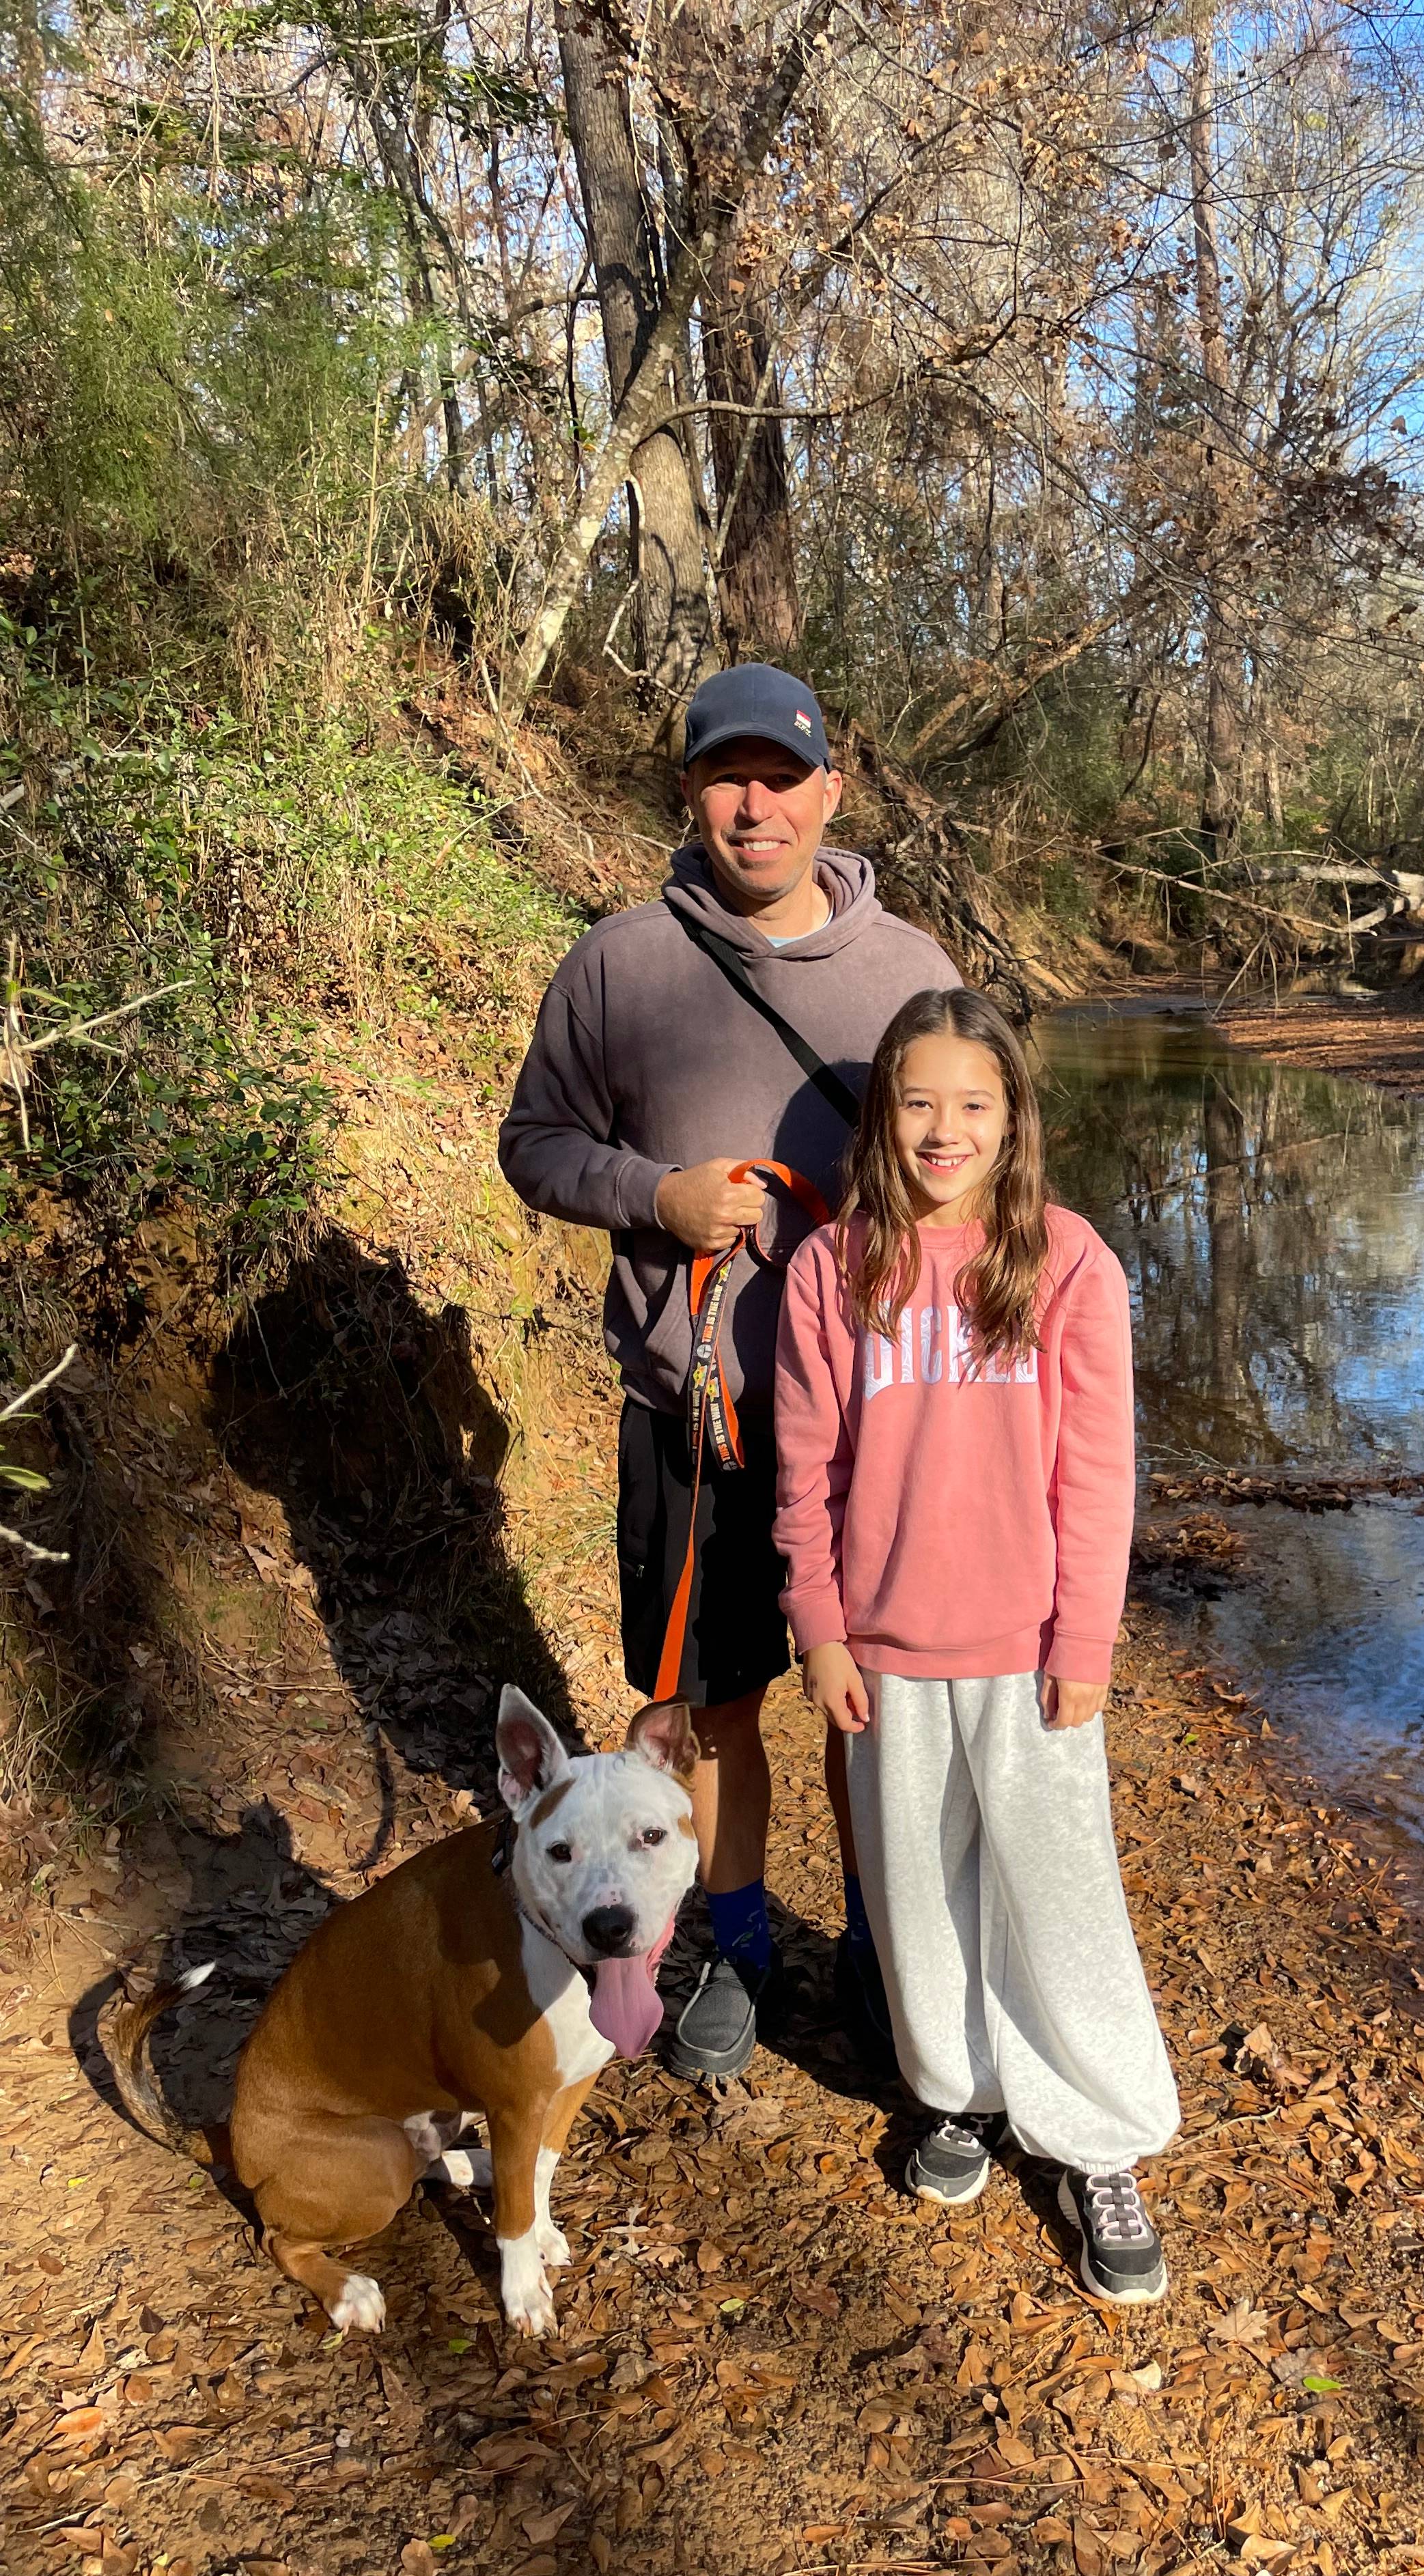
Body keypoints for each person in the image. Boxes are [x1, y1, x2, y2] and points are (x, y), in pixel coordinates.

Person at [498, 663, 960, 2080]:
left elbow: (975, 1174)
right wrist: (658, 1199)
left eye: (781, 777)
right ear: (689, 793)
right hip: (689, 1421)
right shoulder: (620, 964)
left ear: (833, 790)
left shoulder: (914, 974)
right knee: (713, 1708)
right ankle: (739, 1934)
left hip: (874, 1425)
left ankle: (886, 1943)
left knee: (874, 1697)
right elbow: (536, 1145)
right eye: (724, 776)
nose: (754, 805)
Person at [772, 987, 1181, 2305]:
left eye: (974, 1105)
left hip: (1028, 1653)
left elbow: (1099, 1476)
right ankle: (959, 2093)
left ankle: (1097, 2136)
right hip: (885, 1655)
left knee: (1060, 1898)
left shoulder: (1066, 1264)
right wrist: (821, 1628)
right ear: (883, 1118)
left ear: (1014, 1121)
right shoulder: (830, 1272)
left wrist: (1087, 1639)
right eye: (919, 1103)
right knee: (918, 1897)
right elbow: (803, 1471)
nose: (944, 1132)